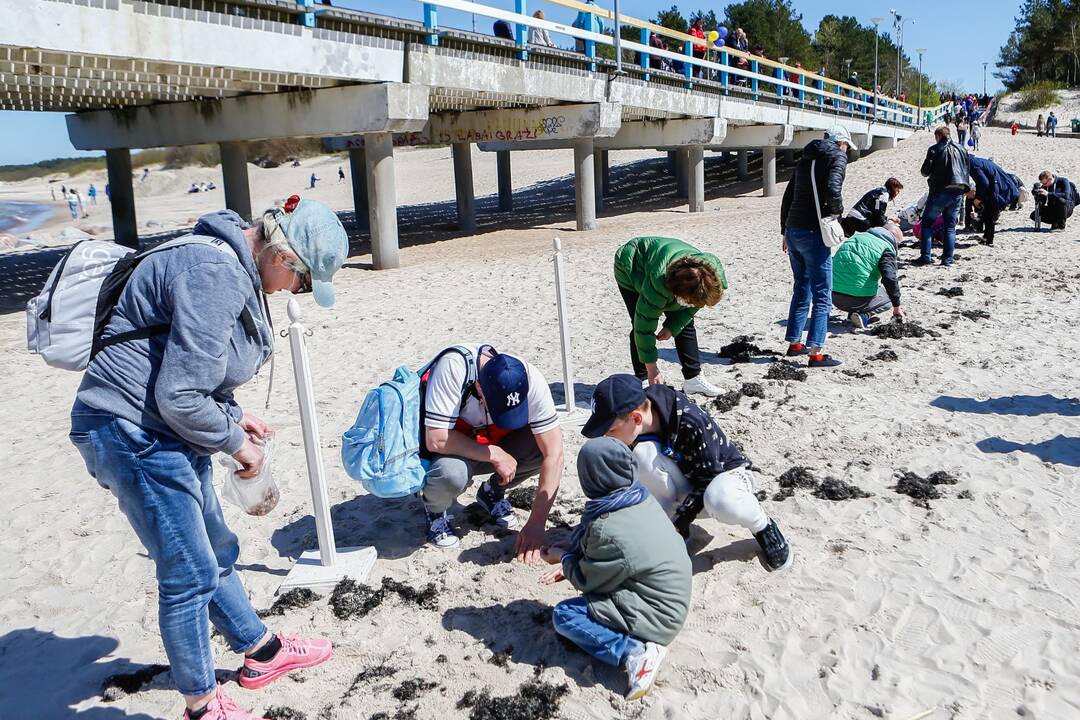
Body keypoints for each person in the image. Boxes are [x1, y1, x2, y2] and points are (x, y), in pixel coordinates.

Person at [69, 199, 349, 720]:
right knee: (188, 570)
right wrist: (236, 445)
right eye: (304, 282)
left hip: (163, 428)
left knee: (216, 549)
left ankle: (260, 652)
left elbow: (185, 362)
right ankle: (201, 705)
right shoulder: (216, 270)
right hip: (132, 432)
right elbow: (179, 394)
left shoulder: (226, 260)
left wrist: (232, 416)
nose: (297, 293)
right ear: (283, 258)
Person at [583, 374, 793, 572]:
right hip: (686, 479)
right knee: (642, 456)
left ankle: (763, 527)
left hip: (725, 477)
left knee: (721, 500)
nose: (606, 437)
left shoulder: (690, 420)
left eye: (610, 431)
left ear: (636, 418)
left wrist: (680, 520)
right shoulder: (635, 427)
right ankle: (676, 529)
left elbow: (709, 475)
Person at [540, 436, 690, 701]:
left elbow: (588, 580)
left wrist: (564, 559)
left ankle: (635, 652)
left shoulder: (605, 528)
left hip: (659, 616)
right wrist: (574, 549)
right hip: (673, 595)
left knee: (565, 616)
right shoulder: (640, 497)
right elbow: (618, 552)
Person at [418, 344, 564, 556]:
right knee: (452, 474)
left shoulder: (532, 379)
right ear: (479, 387)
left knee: (541, 448)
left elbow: (555, 454)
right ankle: (435, 511)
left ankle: (491, 492)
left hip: (492, 441)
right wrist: (494, 454)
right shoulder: (453, 368)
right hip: (450, 450)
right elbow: (436, 439)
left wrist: (536, 523)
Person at [614, 236, 727, 396]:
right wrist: (652, 369)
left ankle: (693, 379)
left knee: (686, 325)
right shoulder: (658, 282)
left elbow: (696, 305)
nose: (693, 305)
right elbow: (643, 326)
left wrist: (672, 326)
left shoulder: (713, 278)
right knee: (637, 322)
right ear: (676, 291)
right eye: (688, 301)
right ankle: (644, 379)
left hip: (667, 266)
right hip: (631, 265)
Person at [779, 125, 850, 368]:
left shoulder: (804, 159)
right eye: (847, 146)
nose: (847, 151)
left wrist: (784, 231)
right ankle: (816, 352)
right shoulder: (837, 156)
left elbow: (788, 197)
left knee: (802, 287)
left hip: (793, 229)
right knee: (822, 293)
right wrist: (837, 212)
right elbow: (832, 189)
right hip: (814, 232)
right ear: (841, 142)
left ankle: (795, 343)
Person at [831, 223, 907, 328]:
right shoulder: (886, 247)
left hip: (833, 296)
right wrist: (897, 306)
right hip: (856, 300)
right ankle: (864, 315)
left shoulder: (855, 237)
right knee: (888, 299)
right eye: (898, 244)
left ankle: (853, 314)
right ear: (893, 239)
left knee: (854, 277)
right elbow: (889, 278)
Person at [915, 125, 970, 267]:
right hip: (959, 189)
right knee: (950, 227)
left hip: (941, 190)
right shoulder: (962, 149)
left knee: (927, 223)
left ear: (938, 136)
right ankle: (947, 260)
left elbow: (925, 172)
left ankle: (925, 256)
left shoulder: (935, 149)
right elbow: (966, 170)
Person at [967, 156, 1020, 245]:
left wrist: (978, 198)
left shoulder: (973, 165)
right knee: (989, 213)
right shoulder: (977, 161)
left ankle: (988, 239)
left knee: (990, 214)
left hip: (998, 189)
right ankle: (987, 238)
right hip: (999, 187)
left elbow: (984, 183)